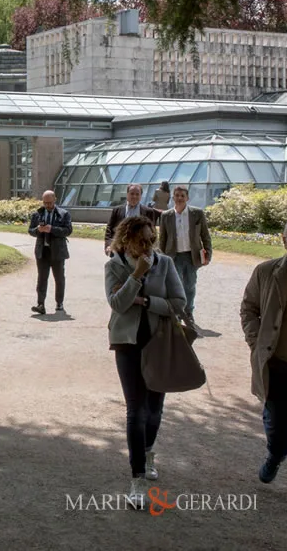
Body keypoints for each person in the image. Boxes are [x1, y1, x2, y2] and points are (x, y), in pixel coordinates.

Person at [105, 216, 187, 507]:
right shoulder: (114, 265)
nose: (148, 246)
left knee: (154, 410)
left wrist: (147, 302)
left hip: (159, 342)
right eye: (142, 240)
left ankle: (148, 450)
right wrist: (136, 276)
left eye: (152, 240)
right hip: (127, 344)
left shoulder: (164, 263)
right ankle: (137, 478)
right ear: (126, 239)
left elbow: (179, 303)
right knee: (136, 411)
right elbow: (117, 304)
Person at [240, 218, 287, 509]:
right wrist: (256, 342)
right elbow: (249, 308)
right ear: (284, 241)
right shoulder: (266, 272)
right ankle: (276, 453)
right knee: (277, 423)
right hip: (277, 364)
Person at [157, 185, 212, 329]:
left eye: (182, 195)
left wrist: (208, 254)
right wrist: (162, 257)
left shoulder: (197, 213)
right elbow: (162, 238)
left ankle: (188, 313)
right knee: (176, 286)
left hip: (191, 256)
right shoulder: (166, 215)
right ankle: (177, 313)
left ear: (187, 198)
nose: (179, 198)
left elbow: (205, 235)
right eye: (177, 195)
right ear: (173, 197)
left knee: (190, 285)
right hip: (173, 256)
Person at [28, 190, 73, 315]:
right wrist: (38, 230)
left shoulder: (63, 214)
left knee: (59, 278)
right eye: (45, 203)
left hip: (57, 251)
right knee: (42, 278)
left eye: (50, 203)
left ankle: (59, 303)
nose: (47, 205)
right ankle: (40, 304)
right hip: (42, 251)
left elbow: (68, 230)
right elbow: (30, 231)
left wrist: (52, 229)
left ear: (55, 200)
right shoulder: (37, 214)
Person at [105, 183, 160, 256]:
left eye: (137, 194)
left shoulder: (148, 212)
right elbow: (109, 229)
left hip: (140, 251)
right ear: (127, 194)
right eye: (132, 194)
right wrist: (109, 245)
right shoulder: (117, 210)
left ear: (141, 196)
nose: (134, 196)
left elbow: (152, 232)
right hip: (119, 250)